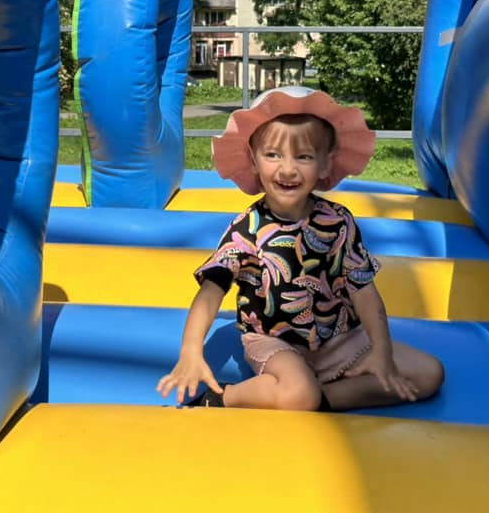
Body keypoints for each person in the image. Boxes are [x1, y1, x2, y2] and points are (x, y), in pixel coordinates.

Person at [157, 86, 444, 411]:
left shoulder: (338, 221)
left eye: (303, 156)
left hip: (339, 339)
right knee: (299, 390)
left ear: (325, 165)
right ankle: (224, 397)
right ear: (253, 161)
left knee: (428, 374)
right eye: (273, 155)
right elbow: (210, 293)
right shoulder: (246, 230)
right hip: (275, 344)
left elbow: (364, 292)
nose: (288, 169)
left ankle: (322, 398)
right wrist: (191, 352)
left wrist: (381, 351)